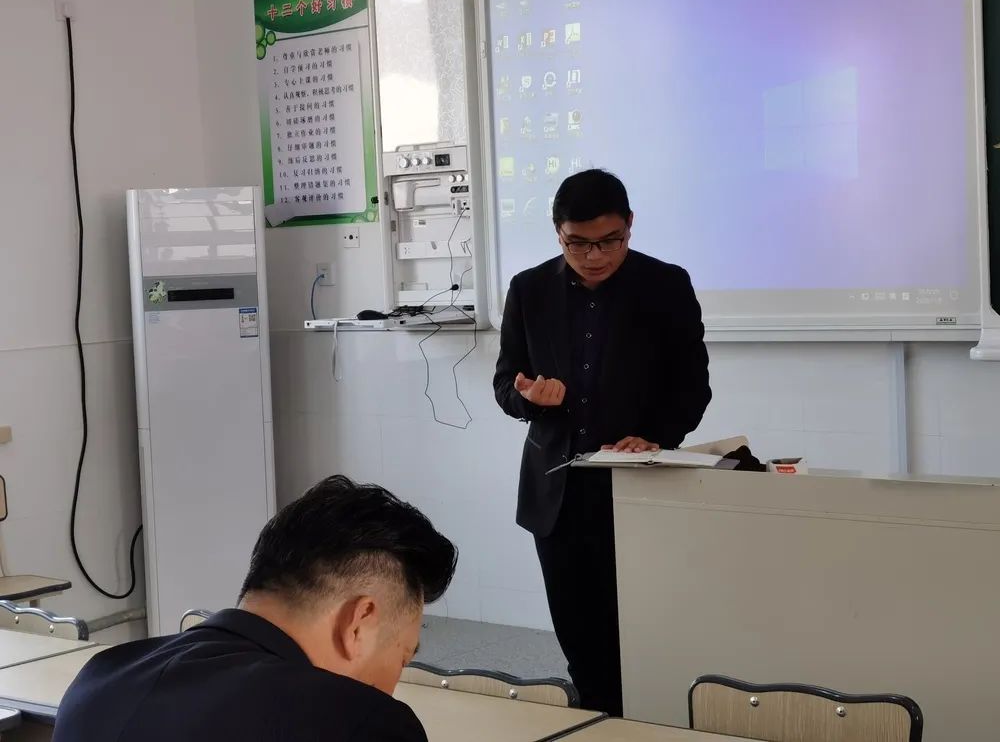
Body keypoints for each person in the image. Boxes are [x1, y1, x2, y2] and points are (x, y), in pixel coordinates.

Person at [493, 169, 711, 716]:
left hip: (638, 486)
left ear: (630, 226)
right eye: (577, 243)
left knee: (640, 627)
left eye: (610, 241)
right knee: (578, 632)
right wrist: (529, 398)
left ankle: (642, 719)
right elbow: (505, 384)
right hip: (558, 492)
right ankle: (597, 717)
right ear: (557, 232)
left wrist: (656, 436)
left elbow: (692, 385)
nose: (594, 256)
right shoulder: (528, 289)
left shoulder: (666, 285)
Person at [53, 475, 458, 742]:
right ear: (359, 622)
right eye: (402, 658)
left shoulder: (99, 680)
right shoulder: (360, 722)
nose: (394, 683)